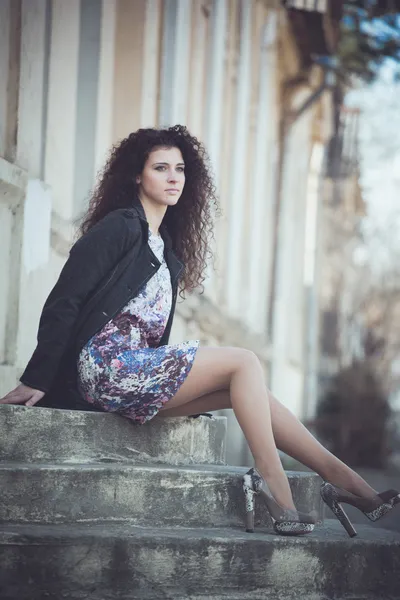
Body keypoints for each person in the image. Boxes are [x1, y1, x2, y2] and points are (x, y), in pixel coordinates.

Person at [1, 125, 399, 536]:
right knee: (244, 362)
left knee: (245, 391)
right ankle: (274, 485)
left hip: (138, 374)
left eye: (180, 169)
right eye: (160, 168)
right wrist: (37, 376)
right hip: (107, 369)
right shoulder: (119, 227)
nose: (174, 177)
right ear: (137, 176)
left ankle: (350, 485)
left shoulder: (165, 250)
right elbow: (64, 301)